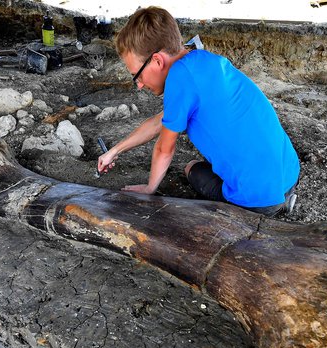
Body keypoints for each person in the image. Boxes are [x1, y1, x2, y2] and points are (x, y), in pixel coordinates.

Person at [97, 7, 301, 216]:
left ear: (157, 61)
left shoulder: (178, 78)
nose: (139, 85)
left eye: (137, 76)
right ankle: (284, 201)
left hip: (258, 200)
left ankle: (262, 209)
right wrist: (114, 151)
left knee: (191, 168)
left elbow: (164, 150)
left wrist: (150, 188)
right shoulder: (204, 60)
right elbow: (161, 121)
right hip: (289, 175)